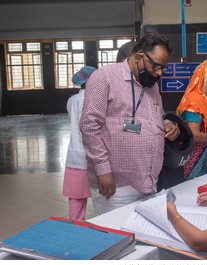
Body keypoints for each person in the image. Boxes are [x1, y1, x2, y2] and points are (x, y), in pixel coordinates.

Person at [79, 32, 180, 215]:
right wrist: (103, 170)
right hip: (116, 185)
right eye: (156, 66)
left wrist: (166, 124)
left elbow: (157, 115)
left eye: (162, 68)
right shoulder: (104, 77)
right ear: (139, 56)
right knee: (116, 238)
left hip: (149, 181)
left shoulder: (152, 85)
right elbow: (89, 125)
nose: (159, 73)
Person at [62, 66, 96, 220]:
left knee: (76, 199)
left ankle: (76, 227)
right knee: (102, 196)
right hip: (92, 154)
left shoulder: (71, 100)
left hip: (74, 156)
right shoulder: (93, 101)